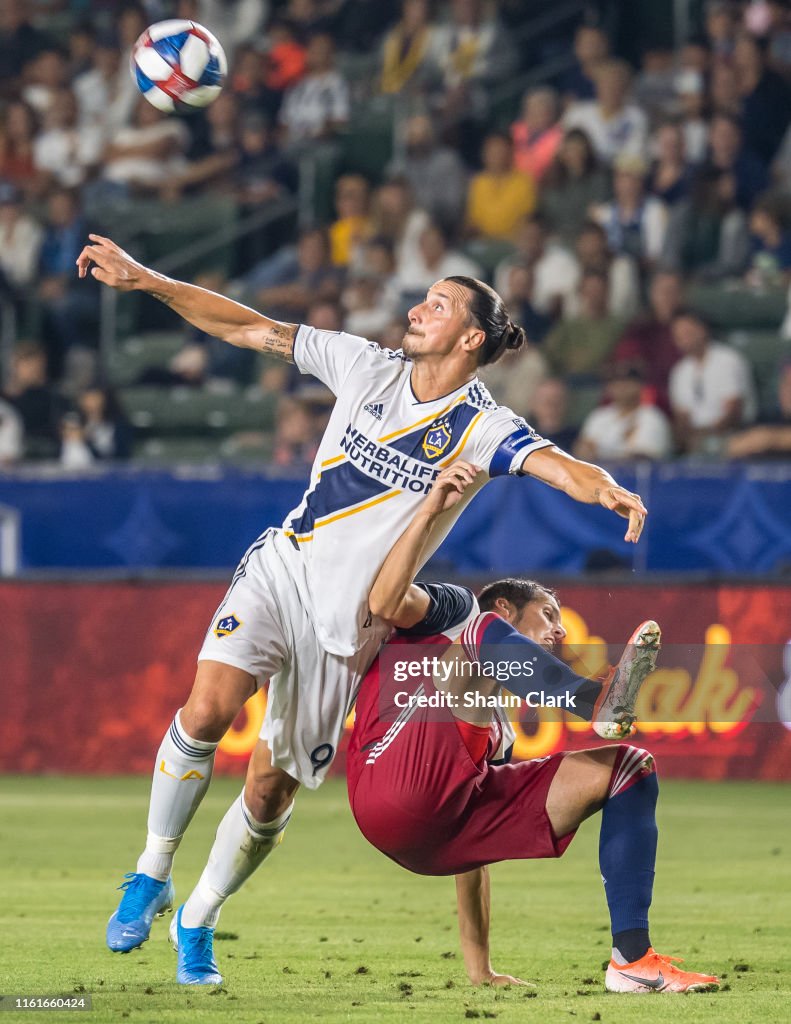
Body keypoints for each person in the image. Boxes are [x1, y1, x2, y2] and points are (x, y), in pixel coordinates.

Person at [76, 237, 647, 983]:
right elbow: (249, 327)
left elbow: (552, 463)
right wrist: (148, 279)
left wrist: (602, 486)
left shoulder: (481, 423)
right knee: (208, 708)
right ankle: (151, 872)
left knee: (270, 787)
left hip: (347, 628)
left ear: (470, 337)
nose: (417, 308)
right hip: (284, 568)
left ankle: (198, 919)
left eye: (437, 303)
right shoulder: (365, 365)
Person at [347, 463, 718, 994]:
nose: (560, 628)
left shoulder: (496, 727)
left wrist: (480, 969)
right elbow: (387, 598)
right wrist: (430, 508)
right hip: (384, 782)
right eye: (547, 613)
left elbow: (470, 857)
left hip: (438, 832)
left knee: (629, 768)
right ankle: (594, 700)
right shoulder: (454, 615)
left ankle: (632, 962)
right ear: (506, 607)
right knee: (479, 636)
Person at [668, 309, 756, 454]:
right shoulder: (680, 371)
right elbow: (682, 417)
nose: (682, 339)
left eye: (687, 332)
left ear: (702, 330)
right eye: (678, 335)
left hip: (733, 435)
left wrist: (705, 435)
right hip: (695, 440)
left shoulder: (728, 360)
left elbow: (734, 413)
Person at [574, 361, 673, 462]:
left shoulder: (652, 417)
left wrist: (600, 453)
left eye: (627, 381)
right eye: (615, 382)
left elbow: (640, 459)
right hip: (600, 476)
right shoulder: (599, 415)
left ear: (640, 385)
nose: (620, 386)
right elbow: (582, 452)